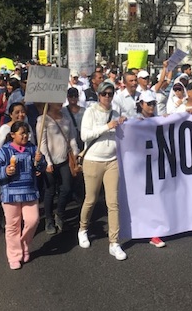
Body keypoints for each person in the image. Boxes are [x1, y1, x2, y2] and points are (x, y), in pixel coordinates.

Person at [78, 81, 128, 261]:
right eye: (104, 94)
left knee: (113, 203)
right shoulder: (90, 111)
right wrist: (107, 126)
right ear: (98, 95)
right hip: (93, 161)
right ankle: (83, 228)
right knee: (90, 200)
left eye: (110, 93)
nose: (108, 97)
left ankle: (114, 242)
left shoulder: (115, 113)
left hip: (112, 161)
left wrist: (122, 124)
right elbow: (84, 135)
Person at [0, 121, 41, 270]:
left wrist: (39, 161)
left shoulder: (32, 148)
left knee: (33, 220)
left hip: (29, 192)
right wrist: (5, 171)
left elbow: (40, 168)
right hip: (10, 194)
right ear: (12, 135)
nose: (25, 136)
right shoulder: (5, 151)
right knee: (13, 226)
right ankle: (14, 255)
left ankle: (24, 243)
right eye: (21, 133)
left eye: (27, 133)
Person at [38, 102, 79, 235]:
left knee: (66, 188)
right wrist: (48, 162)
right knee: (50, 190)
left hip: (64, 159)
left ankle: (60, 214)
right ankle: (49, 219)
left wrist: (76, 152)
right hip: (49, 161)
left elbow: (71, 137)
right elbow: (42, 143)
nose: (60, 104)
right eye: (57, 101)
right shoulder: (43, 119)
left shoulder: (66, 117)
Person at [133, 90, 168, 247]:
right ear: (141, 104)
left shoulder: (159, 119)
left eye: (154, 103)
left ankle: (153, 231)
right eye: (149, 103)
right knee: (142, 198)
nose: (152, 106)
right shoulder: (134, 121)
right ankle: (144, 229)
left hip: (156, 164)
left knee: (156, 197)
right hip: (140, 166)